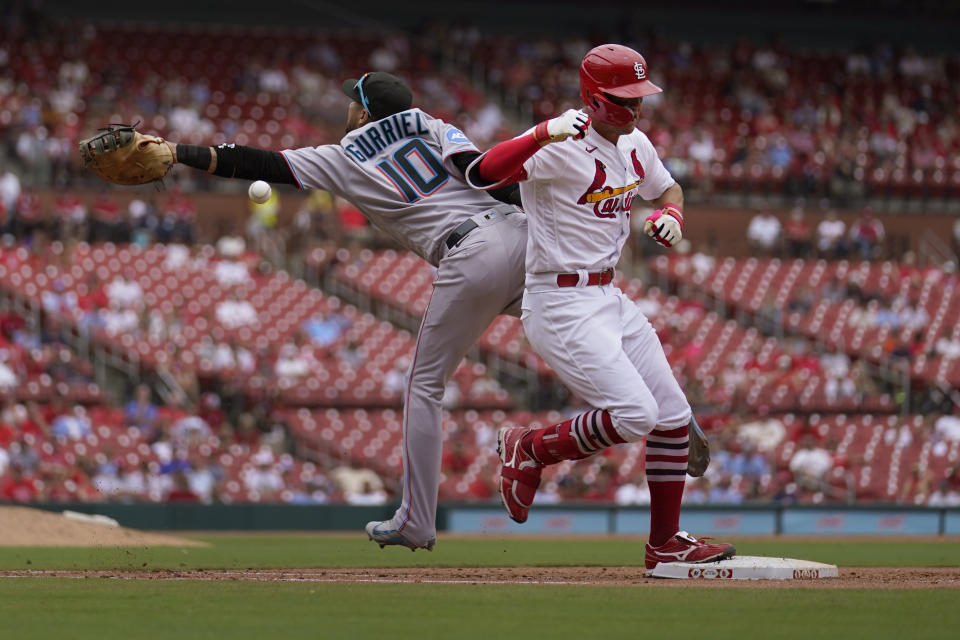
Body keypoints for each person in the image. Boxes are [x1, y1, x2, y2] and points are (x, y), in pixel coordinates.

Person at [467, 44, 733, 570]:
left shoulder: (636, 142)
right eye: (624, 98)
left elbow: (668, 186)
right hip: (559, 299)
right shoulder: (559, 142)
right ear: (593, 96)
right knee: (637, 414)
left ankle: (664, 545)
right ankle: (531, 447)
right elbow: (482, 172)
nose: (635, 109)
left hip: (608, 294)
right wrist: (541, 132)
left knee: (674, 418)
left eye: (639, 97)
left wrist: (674, 213)